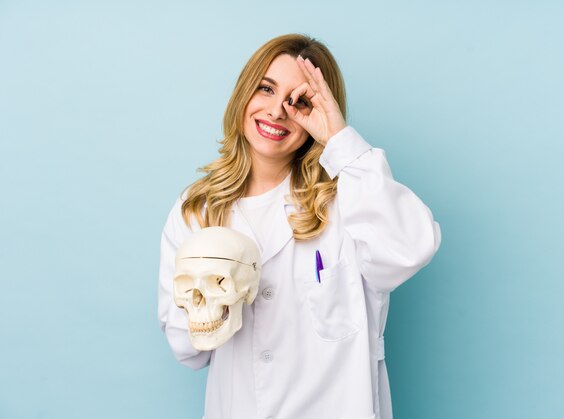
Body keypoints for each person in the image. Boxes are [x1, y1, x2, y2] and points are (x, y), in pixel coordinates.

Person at [158, 33, 441, 419]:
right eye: (266, 89)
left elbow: (411, 247)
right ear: (244, 93)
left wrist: (340, 140)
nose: (276, 112)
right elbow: (187, 349)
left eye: (299, 101)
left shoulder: (349, 196)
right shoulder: (197, 210)